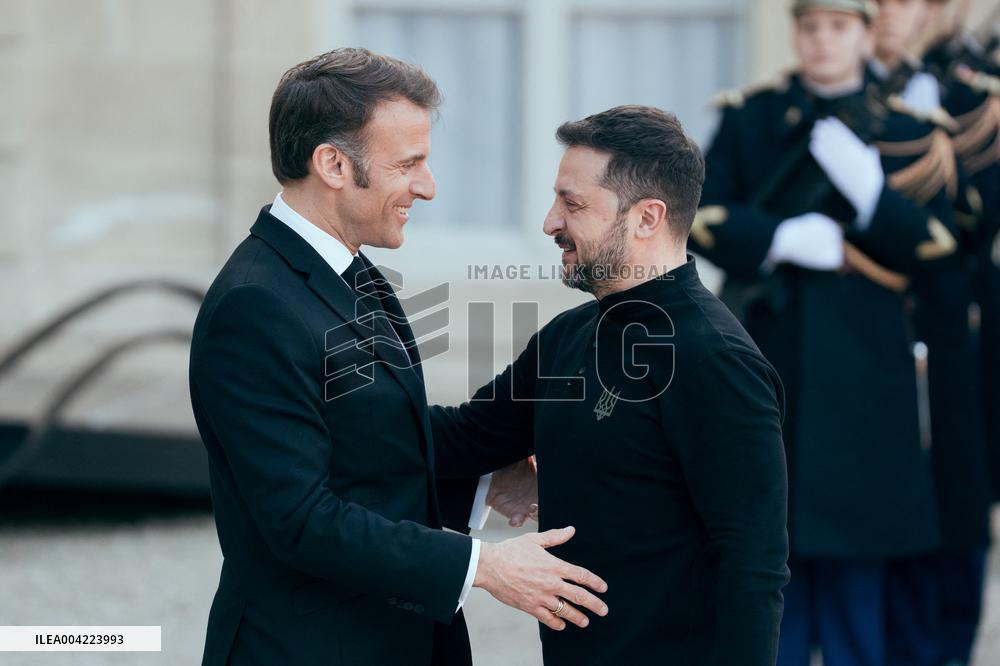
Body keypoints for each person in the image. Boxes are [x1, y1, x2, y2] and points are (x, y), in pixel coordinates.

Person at [188, 48, 607, 666]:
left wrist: (490, 474)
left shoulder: (348, 267)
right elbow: (300, 518)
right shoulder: (253, 305)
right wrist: (483, 566)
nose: (427, 187)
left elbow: (372, 429)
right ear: (332, 164)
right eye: (409, 164)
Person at [430, 105, 790, 665]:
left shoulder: (714, 359)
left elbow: (754, 563)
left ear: (648, 217)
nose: (550, 222)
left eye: (572, 204)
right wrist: (305, 393)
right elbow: (462, 438)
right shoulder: (569, 335)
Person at [689, 1, 962, 664]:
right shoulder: (753, 116)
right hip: (769, 354)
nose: (822, 41)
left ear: (867, 35)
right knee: (765, 568)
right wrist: (777, 236)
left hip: (867, 372)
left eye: (839, 27)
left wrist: (872, 198)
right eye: (810, 27)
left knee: (856, 587)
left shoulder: (906, 127)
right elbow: (699, 213)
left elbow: (939, 245)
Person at [870, 2, 993, 663]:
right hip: (849, 339)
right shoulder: (831, 94)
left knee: (948, 508)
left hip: (946, 340)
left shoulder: (975, 98)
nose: (891, 12)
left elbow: (975, 224)